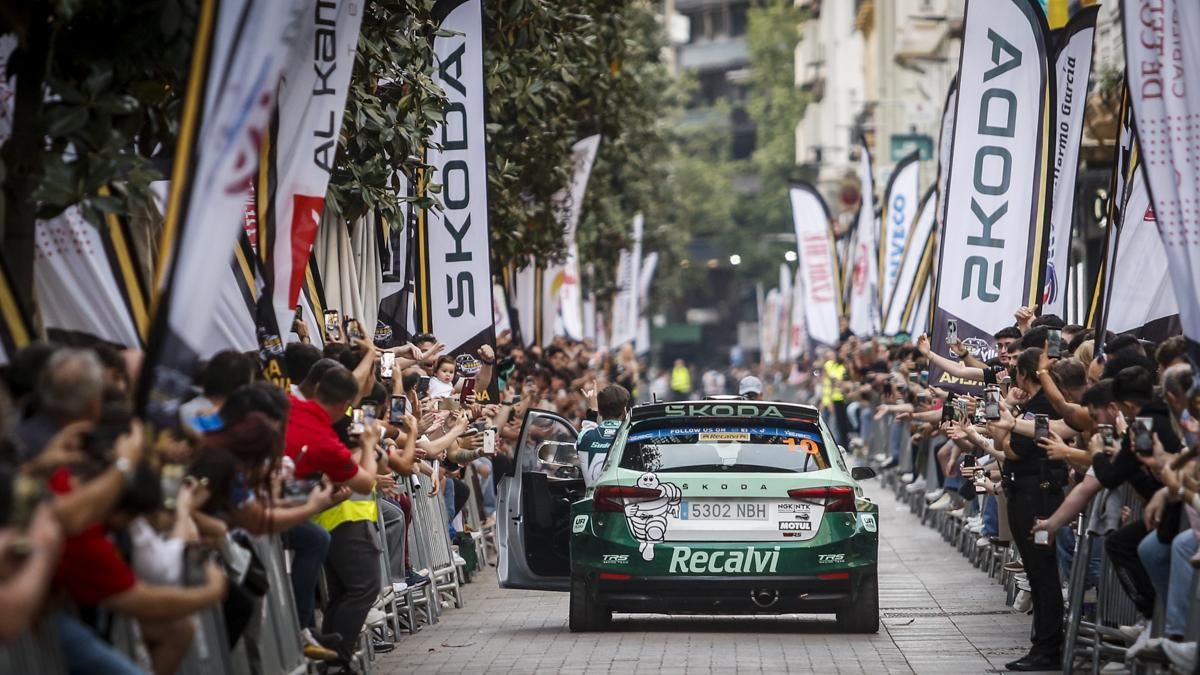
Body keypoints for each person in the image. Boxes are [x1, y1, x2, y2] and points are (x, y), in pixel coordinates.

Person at [284, 366, 382, 668]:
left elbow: (359, 382)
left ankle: (330, 654)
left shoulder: (292, 406)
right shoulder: (327, 437)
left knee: (343, 593)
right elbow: (366, 481)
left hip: (326, 517)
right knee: (364, 588)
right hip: (347, 518)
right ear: (345, 405)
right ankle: (336, 661)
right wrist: (368, 445)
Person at [577, 385, 631, 486]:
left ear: (600, 412)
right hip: (623, 499)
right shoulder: (630, 435)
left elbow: (588, 425)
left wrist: (592, 408)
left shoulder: (584, 437)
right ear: (624, 411)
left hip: (591, 500)